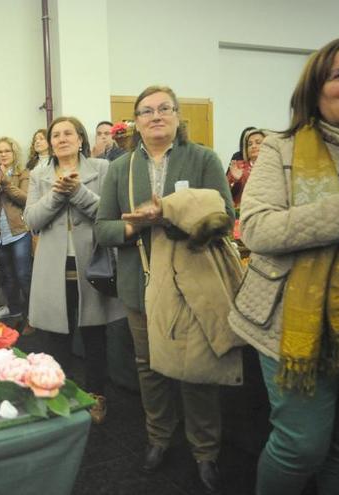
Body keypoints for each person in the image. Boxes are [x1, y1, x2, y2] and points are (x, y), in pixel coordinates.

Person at [228, 35, 339, 495]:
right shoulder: (282, 148)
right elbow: (259, 230)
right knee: (300, 445)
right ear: (316, 89)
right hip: (289, 318)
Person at [94, 85, 233, 493]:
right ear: (135, 122)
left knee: (196, 371)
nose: (156, 116)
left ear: (177, 116)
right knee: (148, 366)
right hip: (141, 283)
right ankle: (158, 439)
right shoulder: (122, 168)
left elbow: (224, 216)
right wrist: (137, 224)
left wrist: (169, 214)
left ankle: (205, 451)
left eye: (164, 109)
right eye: (146, 111)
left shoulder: (203, 158)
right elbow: (103, 228)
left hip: (193, 281)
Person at [25, 116, 124, 424]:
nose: (62, 138)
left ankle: (97, 396)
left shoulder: (102, 169)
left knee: (95, 337)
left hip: (91, 264)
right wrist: (56, 193)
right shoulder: (39, 175)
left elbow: (108, 213)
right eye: (56, 135)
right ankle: (61, 394)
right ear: (50, 143)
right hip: (53, 268)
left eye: (69, 133)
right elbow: (31, 221)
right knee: (56, 337)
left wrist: (78, 191)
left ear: (81, 139)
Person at [0, 136, 32, 320]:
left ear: (14, 153)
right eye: (0, 152)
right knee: (8, 275)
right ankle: (15, 310)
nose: (3, 155)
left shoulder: (23, 173)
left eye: (7, 151)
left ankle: (32, 315)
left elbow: (25, 198)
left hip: (19, 231)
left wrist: (5, 183)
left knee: (23, 275)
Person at [226, 126, 265, 208]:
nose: (253, 146)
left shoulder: (273, 168)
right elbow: (223, 191)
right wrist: (234, 180)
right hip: (240, 212)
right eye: (249, 144)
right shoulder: (239, 166)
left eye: (258, 142)